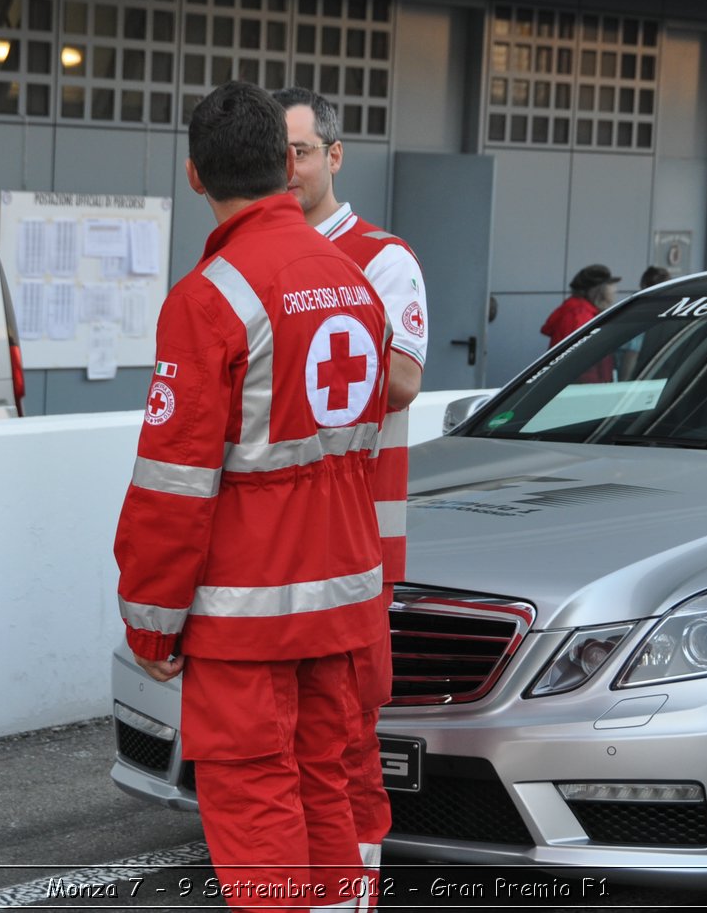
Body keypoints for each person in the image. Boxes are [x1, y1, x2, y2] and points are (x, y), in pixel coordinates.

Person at [115, 81, 391, 910]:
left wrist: (151, 620)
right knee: (327, 787)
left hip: (246, 614)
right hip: (343, 594)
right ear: (285, 162)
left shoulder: (210, 298)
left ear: (195, 177)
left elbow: (172, 486)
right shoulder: (353, 280)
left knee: (254, 798)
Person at [275, 86, 427, 907]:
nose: (287, 169)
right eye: (277, 154)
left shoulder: (382, 257)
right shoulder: (249, 254)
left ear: (334, 157)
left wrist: (313, 320)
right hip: (276, 549)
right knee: (279, 747)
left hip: (358, 545)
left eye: (300, 152)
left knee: (345, 744)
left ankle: (353, 895)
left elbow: (402, 379)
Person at [542, 264, 622, 380]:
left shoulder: (583, 313)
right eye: (610, 285)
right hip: (582, 389)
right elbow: (578, 363)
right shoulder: (580, 316)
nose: (615, 290)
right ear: (599, 290)